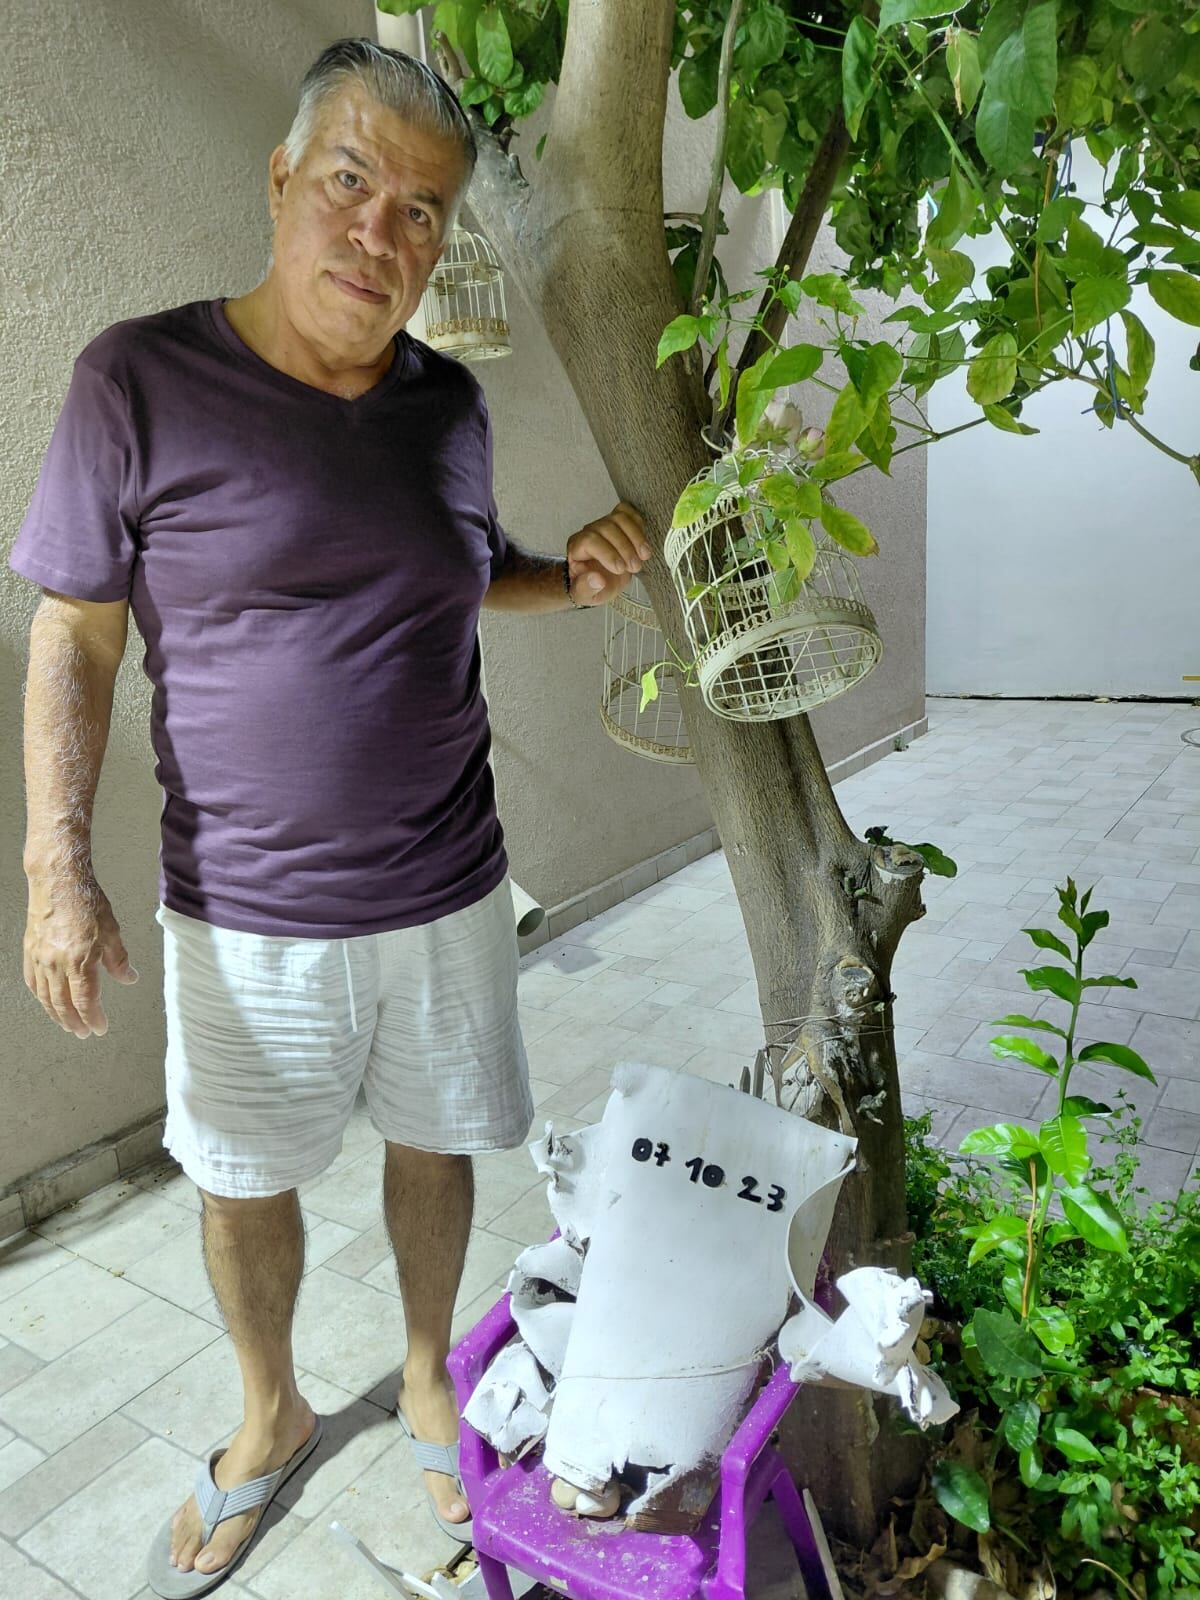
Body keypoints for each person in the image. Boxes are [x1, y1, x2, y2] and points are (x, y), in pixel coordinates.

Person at [11, 38, 650, 1598]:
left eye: (423, 210)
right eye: (354, 184)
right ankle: (270, 1410)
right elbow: (75, 633)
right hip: (243, 906)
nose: (385, 233)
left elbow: (449, 563)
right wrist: (55, 871)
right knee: (242, 1175)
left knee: (436, 1147)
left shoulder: (448, 408)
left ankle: (427, 1368)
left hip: (447, 880)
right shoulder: (137, 379)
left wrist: (557, 577)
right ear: (283, 179)